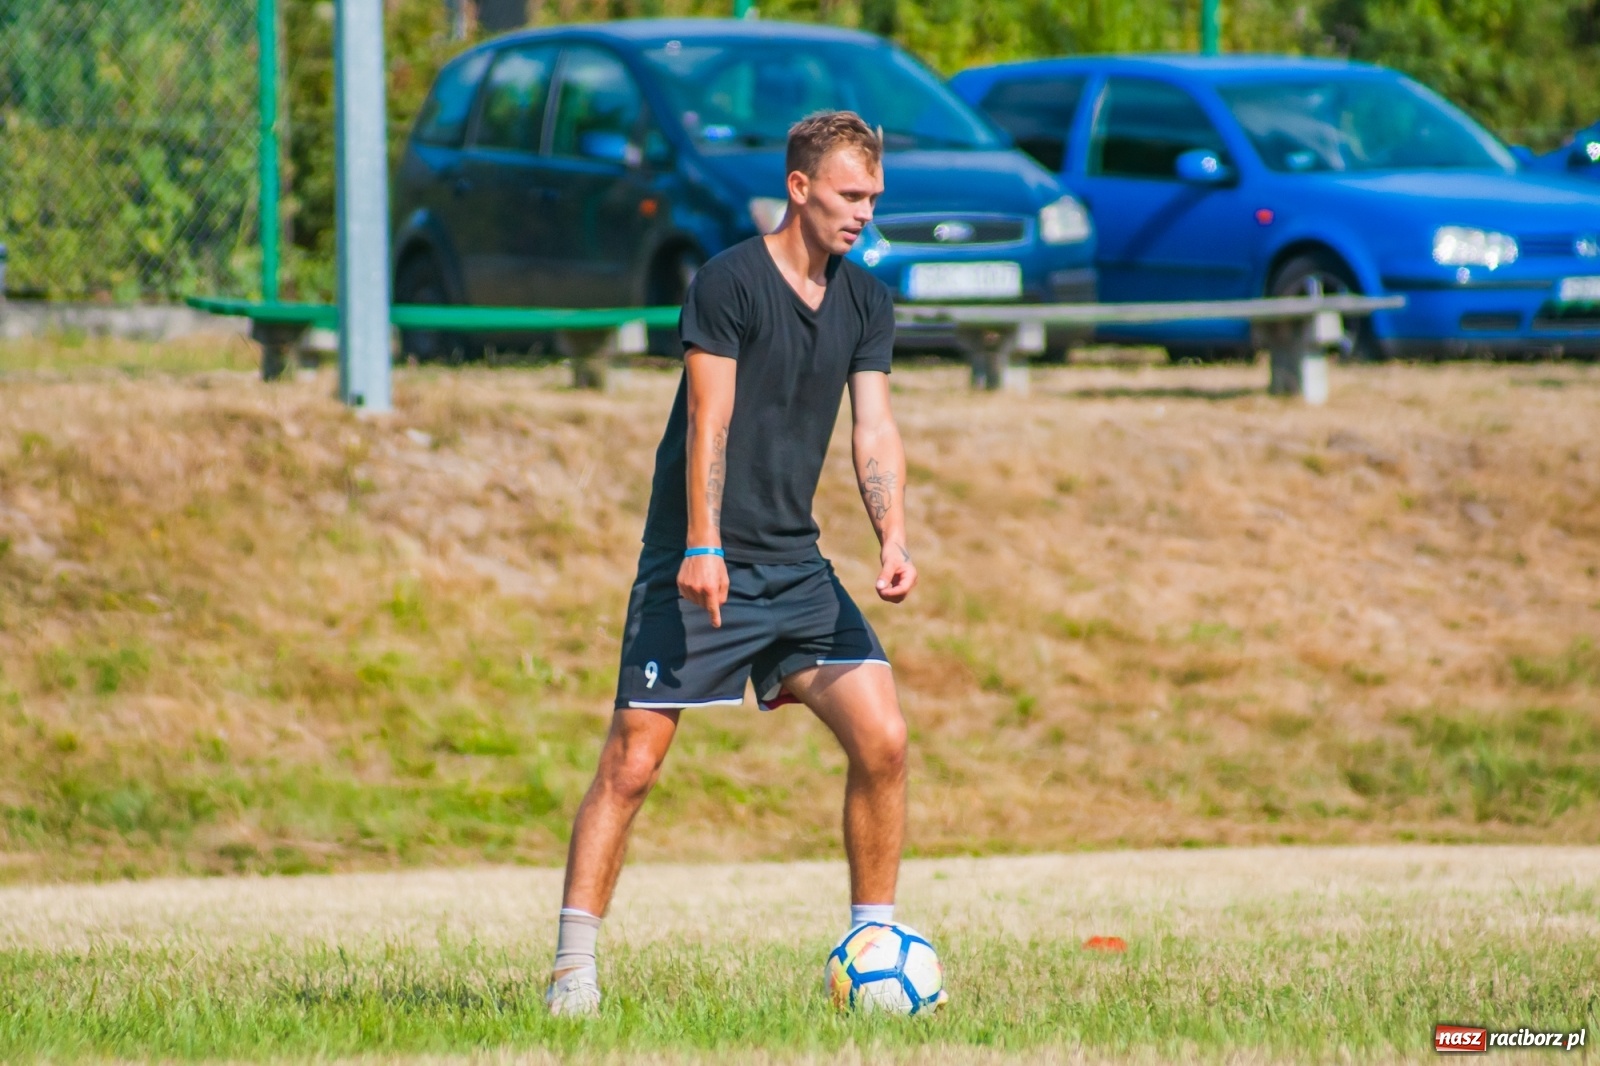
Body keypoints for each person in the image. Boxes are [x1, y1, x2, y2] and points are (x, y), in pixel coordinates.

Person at [545, 110, 918, 1016]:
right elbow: (708, 420)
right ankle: (572, 970)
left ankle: (874, 935)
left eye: (872, 196)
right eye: (848, 194)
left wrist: (893, 536)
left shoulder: (866, 300)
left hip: (795, 569)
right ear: (800, 188)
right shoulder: (728, 284)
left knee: (885, 739)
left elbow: (873, 427)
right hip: (700, 559)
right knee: (632, 762)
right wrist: (703, 545)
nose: (863, 211)